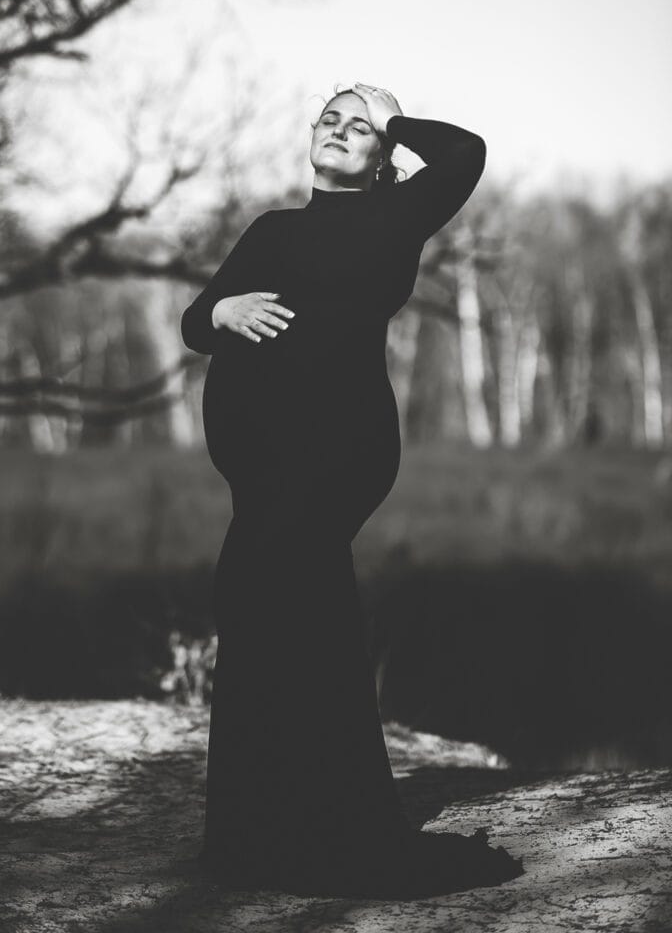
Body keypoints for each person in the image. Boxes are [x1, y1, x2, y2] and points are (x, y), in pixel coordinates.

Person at [180, 82, 524, 899]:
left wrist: (389, 116)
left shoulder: (395, 215)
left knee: (280, 601)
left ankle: (321, 832)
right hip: (260, 469)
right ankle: (263, 831)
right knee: (268, 610)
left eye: (357, 127)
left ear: (382, 154)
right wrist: (224, 308)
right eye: (330, 119)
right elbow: (196, 320)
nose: (339, 131)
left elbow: (465, 152)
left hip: (335, 451)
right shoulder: (272, 229)